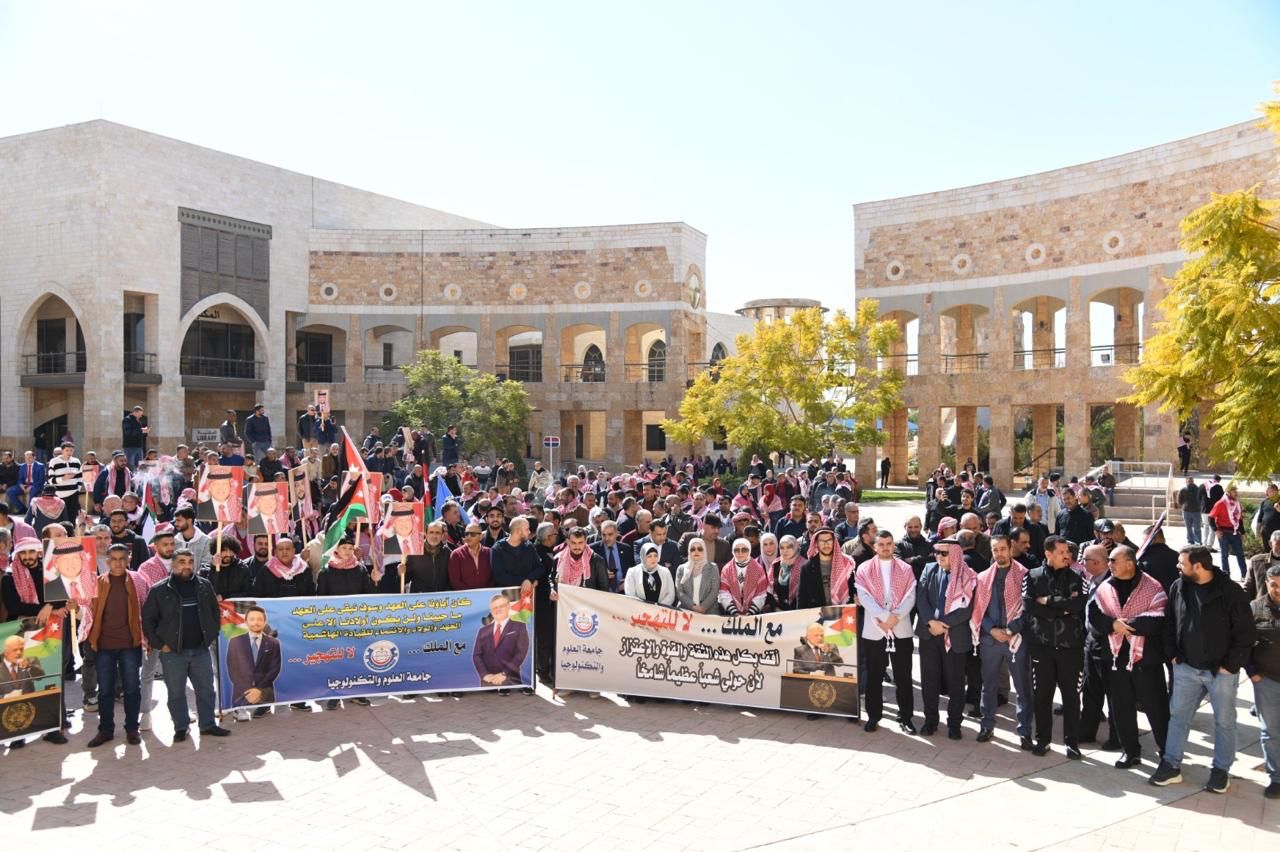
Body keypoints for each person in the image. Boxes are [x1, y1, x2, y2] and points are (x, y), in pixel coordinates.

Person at [1150, 545, 1255, 792]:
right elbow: (1169, 622)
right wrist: (1172, 654)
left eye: (1182, 563)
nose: (1178, 567)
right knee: (1178, 717)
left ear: (1198, 566)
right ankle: (1171, 764)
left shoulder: (1230, 592)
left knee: (1225, 721)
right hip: (1186, 667)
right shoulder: (1179, 586)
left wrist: (1230, 666)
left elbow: (1245, 633)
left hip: (1220, 672)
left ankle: (1220, 770)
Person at [1087, 546, 1169, 769]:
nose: (1109, 564)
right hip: (1115, 659)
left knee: (1157, 709)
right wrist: (1112, 625)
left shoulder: (1152, 587)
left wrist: (1128, 626)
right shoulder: (1105, 587)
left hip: (1146, 660)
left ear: (1130, 563)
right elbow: (1094, 616)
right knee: (1121, 708)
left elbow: (1158, 618)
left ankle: (1167, 754)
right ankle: (1130, 751)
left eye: (1113, 560)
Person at [140, 548, 231, 741]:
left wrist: (211, 635)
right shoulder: (159, 590)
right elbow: (148, 620)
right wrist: (160, 644)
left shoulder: (204, 586)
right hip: (173, 652)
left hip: (200, 650)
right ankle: (181, 727)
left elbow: (215, 613)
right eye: (181, 562)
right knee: (176, 692)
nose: (186, 566)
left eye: (190, 562)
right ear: (173, 565)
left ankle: (207, 724)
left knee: (206, 689)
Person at [1023, 535, 1086, 758]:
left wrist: (1048, 601)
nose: (1067, 555)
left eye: (1068, 552)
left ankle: (1072, 742)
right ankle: (1043, 739)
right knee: (1042, 696)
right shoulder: (1031, 576)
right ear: (1048, 554)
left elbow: (1079, 605)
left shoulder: (1078, 577)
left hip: (1071, 648)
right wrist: (1064, 607)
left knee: (1071, 696)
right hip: (1042, 647)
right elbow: (1030, 607)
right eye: (1061, 552)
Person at [970, 534, 1032, 747]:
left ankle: (1024, 731)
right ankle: (987, 725)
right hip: (991, 640)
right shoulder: (983, 577)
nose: (999, 554)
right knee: (989, 686)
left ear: (1010, 548)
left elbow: (1028, 609)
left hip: (1016, 639)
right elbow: (978, 608)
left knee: (1022, 687)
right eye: (995, 550)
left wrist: (1012, 629)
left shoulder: (1024, 575)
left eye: (1003, 549)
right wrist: (991, 629)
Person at [86, 543, 150, 746]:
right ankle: (105, 730)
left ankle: (132, 728)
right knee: (105, 690)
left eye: (122, 558)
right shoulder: (97, 583)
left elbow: (147, 606)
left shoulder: (138, 581)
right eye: (113, 559)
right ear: (107, 561)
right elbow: (87, 613)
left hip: (130, 644)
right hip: (104, 645)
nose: (118, 563)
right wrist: (75, 607)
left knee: (132, 688)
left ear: (129, 559)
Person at [856, 530, 917, 734]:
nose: (885, 547)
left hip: (900, 629)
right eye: (881, 544)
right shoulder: (864, 568)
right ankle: (874, 716)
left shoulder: (905, 569)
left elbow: (910, 595)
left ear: (893, 545)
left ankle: (906, 717)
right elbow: (864, 596)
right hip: (875, 630)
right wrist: (884, 617)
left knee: (903, 676)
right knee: (873, 676)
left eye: (889, 544)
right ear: (875, 546)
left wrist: (895, 618)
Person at [916, 537, 976, 739]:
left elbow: (967, 608)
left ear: (955, 554)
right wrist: (931, 622)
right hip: (929, 634)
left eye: (944, 553)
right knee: (929, 680)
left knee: (956, 683)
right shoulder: (929, 569)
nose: (939, 557)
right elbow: (921, 597)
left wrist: (944, 625)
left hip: (955, 636)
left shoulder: (967, 576)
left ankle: (954, 724)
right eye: (937, 552)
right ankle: (930, 721)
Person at [1248, 564, 1280, 799]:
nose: (1278, 589)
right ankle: (1277, 778)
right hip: (1266, 680)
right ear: (1267, 584)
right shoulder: (1255, 608)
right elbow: (1243, 642)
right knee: (1270, 732)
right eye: (1274, 585)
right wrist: (1253, 673)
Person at [225, 605, 282, 709]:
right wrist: (248, 691)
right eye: (252, 619)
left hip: (265, 693)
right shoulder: (235, 642)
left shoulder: (274, 643)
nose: (256, 622)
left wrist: (258, 690)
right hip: (241, 694)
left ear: (265, 623)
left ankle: (264, 709)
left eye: (260, 619)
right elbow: (232, 668)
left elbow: (274, 669)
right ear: (246, 622)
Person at [472, 593, 529, 687]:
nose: (498, 609)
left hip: (510, 680)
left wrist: (504, 674)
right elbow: (476, 655)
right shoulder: (483, 631)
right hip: (487, 681)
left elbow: (521, 653)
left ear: (508, 607)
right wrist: (485, 675)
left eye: (501, 606)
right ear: (491, 610)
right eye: (494, 607)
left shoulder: (519, 627)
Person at [718, 538, 769, 615]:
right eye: (737, 550)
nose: (740, 553)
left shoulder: (758, 569)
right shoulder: (726, 569)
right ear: (732, 551)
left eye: (744, 550)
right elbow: (724, 592)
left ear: (749, 550)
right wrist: (733, 611)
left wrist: (751, 612)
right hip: (731, 613)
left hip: (753, 614)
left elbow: (761, 594)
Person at [675, 538, 719, 613]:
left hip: (708, 612)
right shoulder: (681, 569)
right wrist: (692, 606)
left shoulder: (713, 568)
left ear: (704, 550)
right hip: (686, 611)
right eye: (692, 549)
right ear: (689, 551)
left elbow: (714, 591)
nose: (696, 551)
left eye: (700, 549)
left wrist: (703, 607)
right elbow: (679, 592)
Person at [591, 520, 635, 592]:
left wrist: (627, 581)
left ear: (616, 533)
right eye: (604, 535)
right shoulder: (593, 550)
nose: (607, 538)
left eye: (610, 534)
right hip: (602, 592)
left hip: (624, 591)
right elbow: (588, 573)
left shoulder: (626, 549)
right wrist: (602, 575)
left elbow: (633, 570)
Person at [448, 523, 492, 590]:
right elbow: (455, 581)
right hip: (465, 597)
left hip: (486, 596)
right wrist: (470, 594)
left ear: (480, 537)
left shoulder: (489, 553)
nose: (469, 537)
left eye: (472, 534)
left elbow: (493, 577)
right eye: (466, 534)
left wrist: (485, 592)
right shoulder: (456, 555)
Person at [1176, 476, 1203, 546]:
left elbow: (1179, 501)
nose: (1190, 483)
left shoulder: (1183, 490)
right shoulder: (1198, 489)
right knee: (1196, 527)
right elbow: (1201, 500)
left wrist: (1184, 505)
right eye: (1190, 481)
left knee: (1189, 527)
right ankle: (1197, 541)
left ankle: (1191, 541)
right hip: (1194, 510)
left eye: (1190, 481)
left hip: (1188, 510)